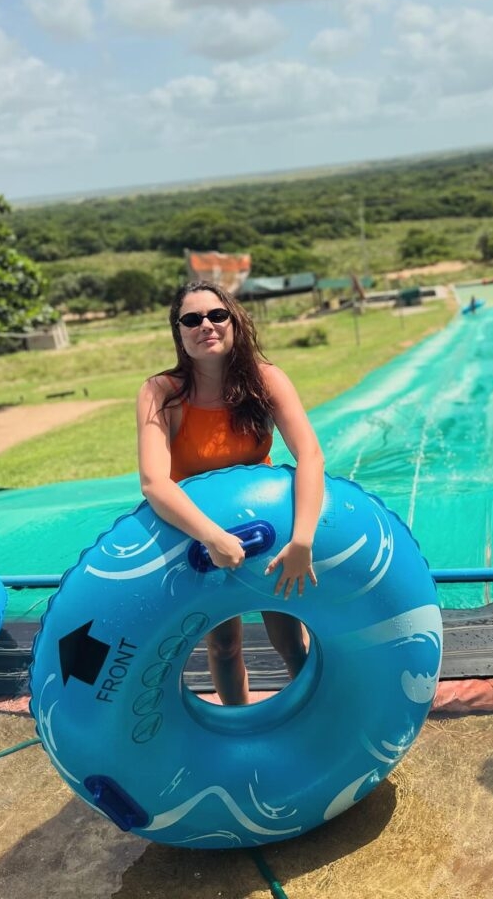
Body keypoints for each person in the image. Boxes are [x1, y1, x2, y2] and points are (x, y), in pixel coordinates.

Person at [136, 280, 325, 706]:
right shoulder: (161, 393)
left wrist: (303, 539)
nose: (206, 325)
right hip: (201, 534)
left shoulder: (265, 380)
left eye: (217, 315)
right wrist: (212, 536)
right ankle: (241, 729)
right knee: (223, 646)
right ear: (179, 333)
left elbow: (310, 454)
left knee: (289, 638)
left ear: (234, 321)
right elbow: (154, 482)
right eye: (192, 319)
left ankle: (317, 723)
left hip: (270, 528)